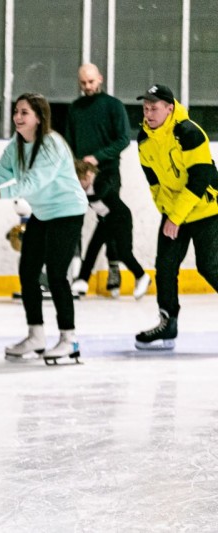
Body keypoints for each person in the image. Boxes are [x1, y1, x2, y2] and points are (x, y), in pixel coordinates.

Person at [0, 92, 88, 364]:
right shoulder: (17, 143)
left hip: (67, 212)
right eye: (16, 112)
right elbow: (0, 171)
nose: (17, 117)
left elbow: (33, 183)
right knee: (28, 272)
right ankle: (36, 335)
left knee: (57, 275)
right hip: (43, 213)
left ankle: (69, 339)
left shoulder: (51, 145)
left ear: (39, 117)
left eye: (24, 112)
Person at [134, 84, 218, 351]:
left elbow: (201, 178)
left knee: (209, 266)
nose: (149, 113)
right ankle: (167, 323)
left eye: (154, 108)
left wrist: (176, 217)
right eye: (146, 108)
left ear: (170, 108)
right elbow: (154, 181)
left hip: (207, 210)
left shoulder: (189, 132)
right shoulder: (144, 139)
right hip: (174, 214)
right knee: (166, 267)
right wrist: (166, 212)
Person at [65, 63, 150, 299]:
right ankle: (78, 275)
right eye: (83, 83)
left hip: (107, 174)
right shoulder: (75, 108)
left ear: (100, 79)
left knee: (107, 223)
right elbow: (70, 142)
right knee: (79, 221)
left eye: (91, 82)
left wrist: (98, 158)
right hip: (82, 175)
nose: (87, 87)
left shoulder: (113, 106)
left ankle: (104, 271)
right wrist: (76, 167)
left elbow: (123, 139)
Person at [73, 159, 149, 299]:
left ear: (88, 175)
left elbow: (99, 194)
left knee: (124, 253)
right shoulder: (83, 188)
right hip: (106, 220)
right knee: (93, 248)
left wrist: (80, 196)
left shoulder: (100, 181)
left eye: (80, 182)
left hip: (121, 218)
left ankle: (142, 276)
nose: (79, 186)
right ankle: (83, 280)